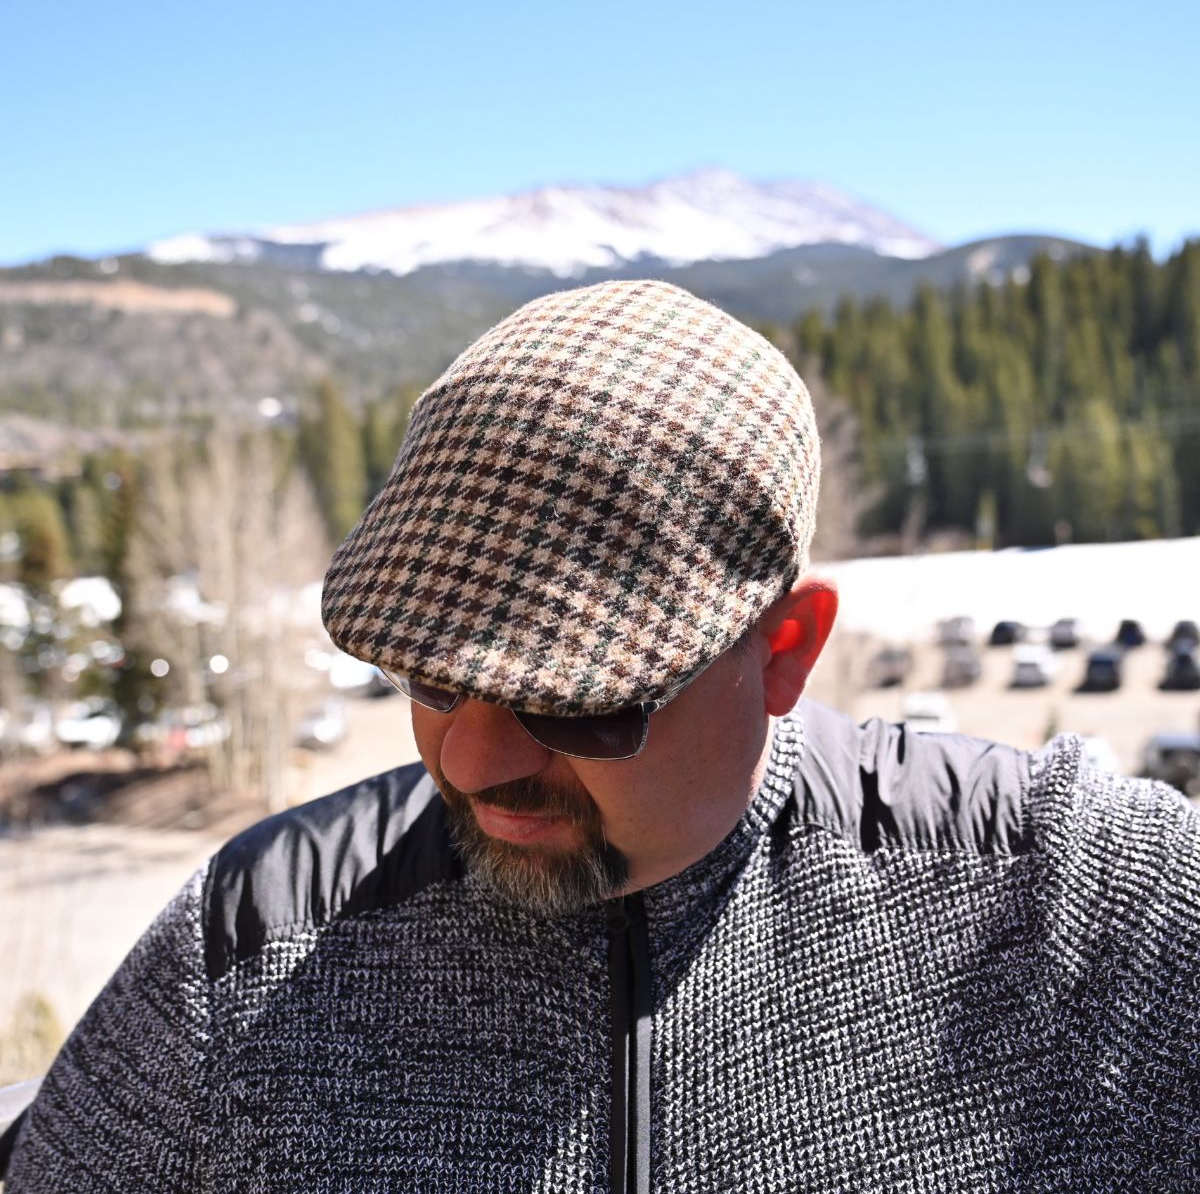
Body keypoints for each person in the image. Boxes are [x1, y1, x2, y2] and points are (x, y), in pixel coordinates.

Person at [5, 280, 1200, 1191]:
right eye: (427, 678)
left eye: (572, 700)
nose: (468, 764)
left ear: (782, 651)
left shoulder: (1067, 901)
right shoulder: (254, 937)